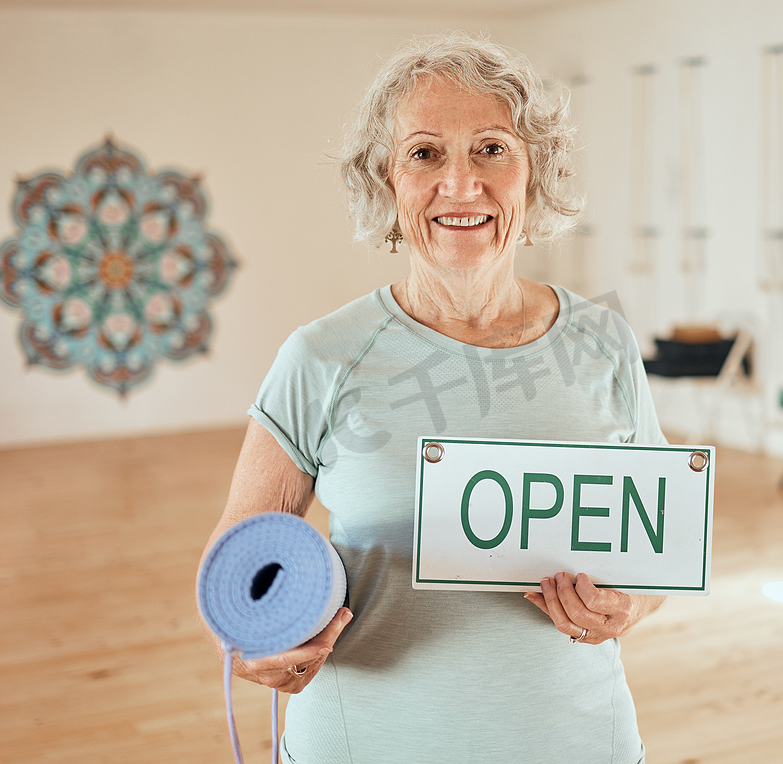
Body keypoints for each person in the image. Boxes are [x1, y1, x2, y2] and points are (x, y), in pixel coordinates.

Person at [201, 32, 668, 763]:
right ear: (385, 180)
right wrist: (257, 644)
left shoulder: (604, 342)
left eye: (491, 148)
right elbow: (235, 569)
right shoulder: (321, 358)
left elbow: (654, 561)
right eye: (425, 153)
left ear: (532, 172)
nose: (461, 184)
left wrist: (626, 607)